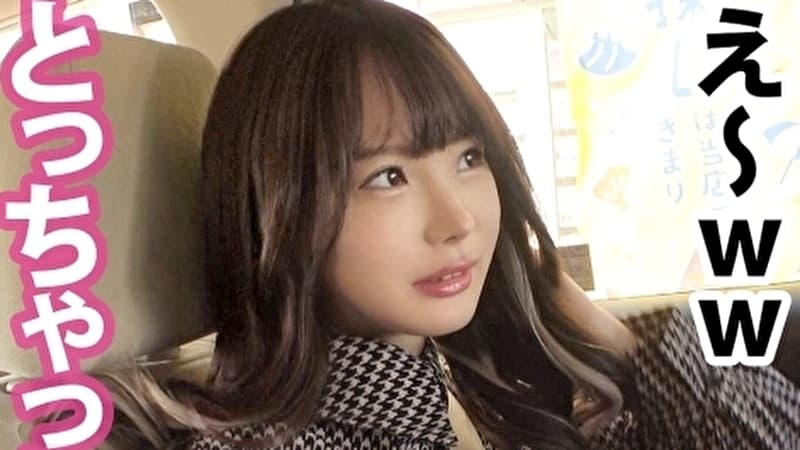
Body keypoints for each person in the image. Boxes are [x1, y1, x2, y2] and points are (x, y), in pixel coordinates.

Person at [102, 1, 800, 449]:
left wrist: (599, 330)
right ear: (277, 208)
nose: (458, 218)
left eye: (468, 157)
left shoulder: (444, 379)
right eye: (387, 176)